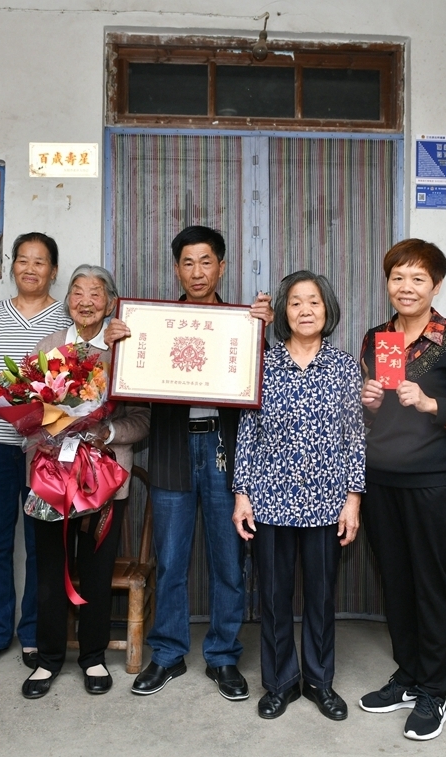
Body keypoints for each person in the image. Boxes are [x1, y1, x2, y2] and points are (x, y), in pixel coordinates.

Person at [106, 225, 273, 701]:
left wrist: (265, 328)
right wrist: (114, 340)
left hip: (226, 450)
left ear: (221, 266)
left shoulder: (245, 321)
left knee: (228, 561)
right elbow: (126, 377)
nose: (197, 272)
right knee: (172, 558)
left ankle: (222, 656)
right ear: (176, 268)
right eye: (187, 262)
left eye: (206, 262)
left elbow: (266, 379)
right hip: (173, 447)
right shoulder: (152, 322)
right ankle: (169, 653)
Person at [358, 239, 446, 741]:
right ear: (387, 282)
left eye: (418, 278)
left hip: (433, 482)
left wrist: (433, 404)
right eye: (397, 277)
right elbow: (373, 415)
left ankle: (434, 688)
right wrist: (369, 399)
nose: (406, 287)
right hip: (380, 479)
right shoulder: (377, 338)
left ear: (436, 284)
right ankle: (408, 676)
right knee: (394, 583)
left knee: (430, 586)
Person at [231, 270, 364, 721]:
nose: (305, 310)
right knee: (273, 596)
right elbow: (247, 433)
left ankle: (320, 682)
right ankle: (280, 683)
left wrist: (353, 499)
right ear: (283, 313)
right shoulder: (263, 365)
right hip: (270, 500)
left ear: (327, 310)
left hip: (327, 502)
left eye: (313, 302)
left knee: (322, 598)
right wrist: (242, 494)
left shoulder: (345, 366)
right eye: (295, 303)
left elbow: (353, 437)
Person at [20, 265, 150, 699]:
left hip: (104, 478)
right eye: (77, 292)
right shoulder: (47, 347)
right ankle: (48, 659)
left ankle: (93, 656)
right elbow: (26, 411)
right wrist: (46, 433)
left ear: (111, 301)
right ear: (67, 300)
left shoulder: (126, 348)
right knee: (49, 570)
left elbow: (141, 420)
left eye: (96, 292)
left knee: (95, 570)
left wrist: (104, 433)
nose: (86, 300)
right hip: (51, 476)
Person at [0, 232, 71, 671]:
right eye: (22, 260)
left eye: (40, 262)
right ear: (12, 266)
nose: (30, 268)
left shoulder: (66, 320)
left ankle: (33, 634)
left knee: (39, 547)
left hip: (43, 450)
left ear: (54, 271)